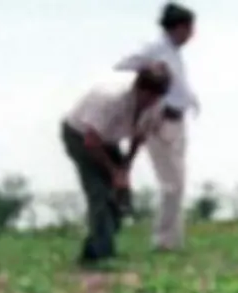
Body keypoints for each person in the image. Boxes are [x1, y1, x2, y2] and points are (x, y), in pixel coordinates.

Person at [61, 63, 171, 266]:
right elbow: (91, 141)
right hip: (80, 135)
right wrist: (114, 172)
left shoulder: (156, 106)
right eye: (149, 94)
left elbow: (139, 137)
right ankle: (105, 255)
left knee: (121, 198)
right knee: (100, 192)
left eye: (158, 95)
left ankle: (92, 251)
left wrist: (125, 169)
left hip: (108, 140)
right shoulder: (110, 99)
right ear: (139, 88)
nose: (152, 100)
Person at [116, 4, 198, 252]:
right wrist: (149, 80)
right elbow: (124, 65)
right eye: (189, 28)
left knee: (178, 182)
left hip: (177, 121)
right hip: (161, 121)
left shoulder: (173, 52)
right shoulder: (156, 48)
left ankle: (172, 239)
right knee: (171, 184)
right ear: (180, 27)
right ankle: (164, 241)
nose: (192, 34)